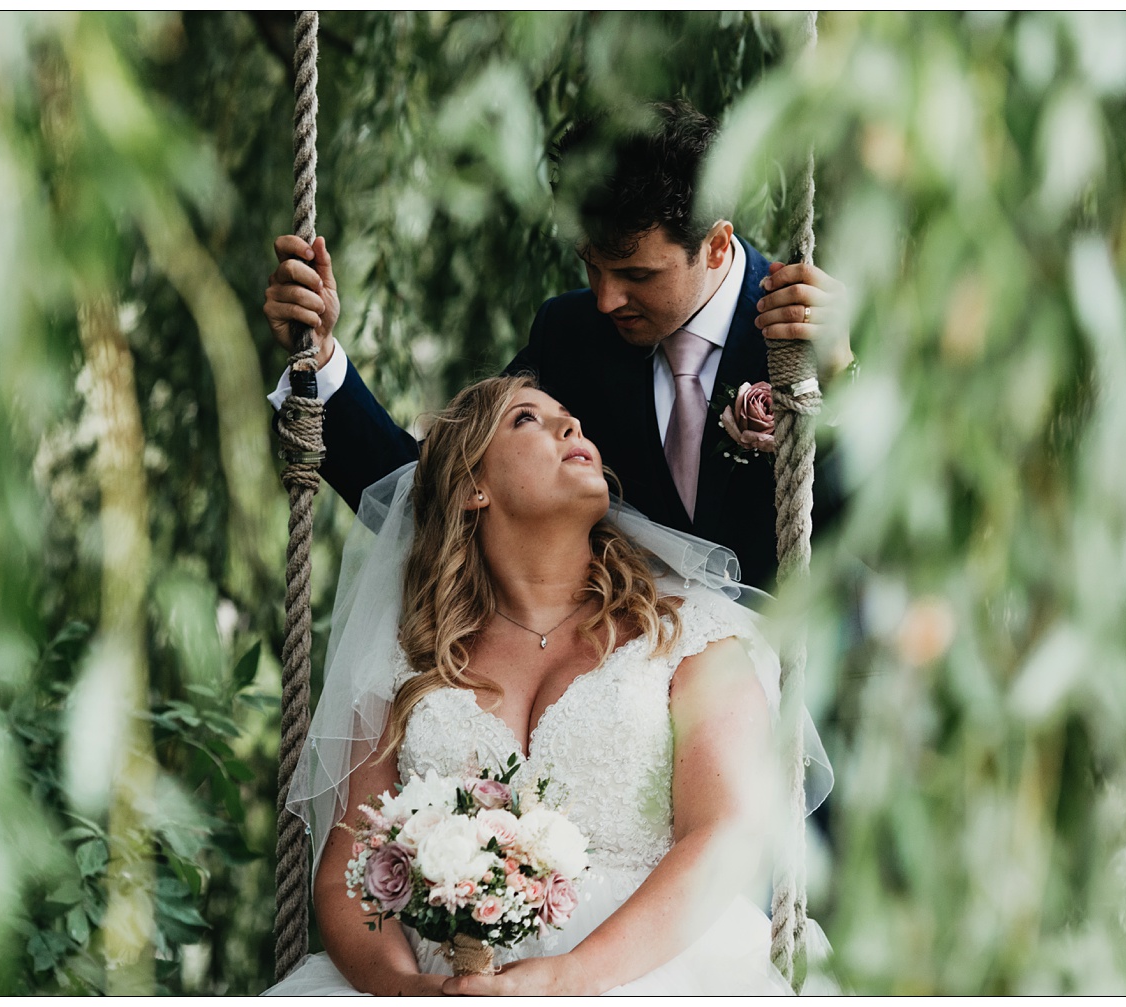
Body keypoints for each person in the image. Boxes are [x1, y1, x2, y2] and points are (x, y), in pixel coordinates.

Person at [264, 375, 828, 996]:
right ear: (473, 486)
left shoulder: (692, 633)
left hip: (652, 971)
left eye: (571, 418)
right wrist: (408, 990)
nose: (572, 427)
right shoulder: (408, 661)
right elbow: (349, 865)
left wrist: (561, 980)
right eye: (527, 420)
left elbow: (726, 835)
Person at [263, 99, 851, 589]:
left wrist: (840, 383)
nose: (605, 300)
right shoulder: (570, 337)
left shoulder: (815, 332)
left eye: (636, 275)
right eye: (590, 267)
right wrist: (321, 361)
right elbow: (438, 492)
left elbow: (886, 539)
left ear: (717, 247)